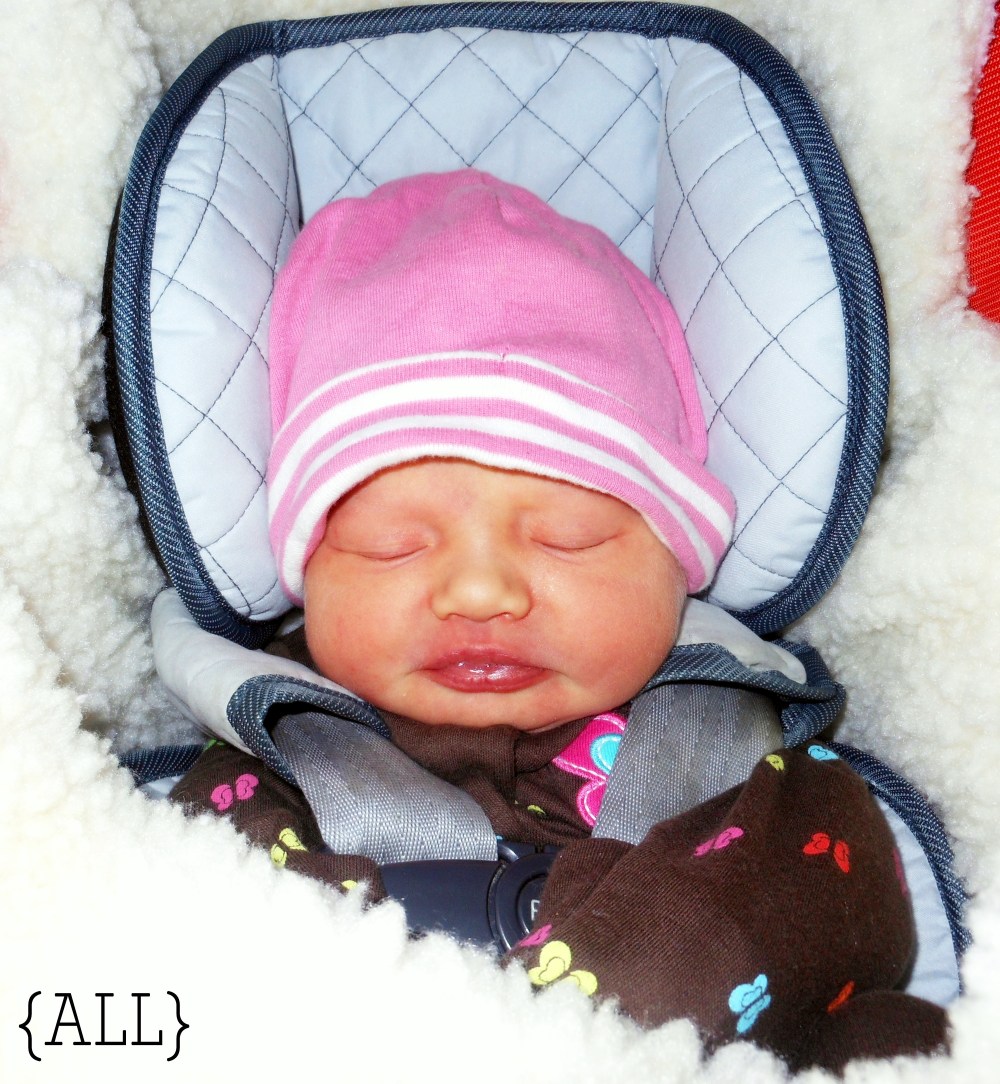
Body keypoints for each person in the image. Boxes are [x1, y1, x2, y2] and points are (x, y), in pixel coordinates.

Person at [170, 169, 946, 1070]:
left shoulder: (742, 744)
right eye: (390, 545)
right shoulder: (273, 753)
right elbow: (211, 939)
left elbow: (849, 918)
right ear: (308, 576)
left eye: (569, 539)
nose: (480, 592)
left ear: (677, 561)